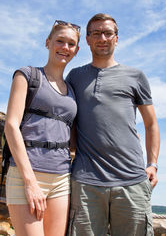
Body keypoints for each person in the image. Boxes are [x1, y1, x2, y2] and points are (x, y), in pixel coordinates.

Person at [66, 13, 160, 236]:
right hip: (86, 182)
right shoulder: (74, 77)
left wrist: (153, 164)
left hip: (132, 180)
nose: (102, 38)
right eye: (96, 33)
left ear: (116, 38)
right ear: (87, 39)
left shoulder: (135, 76)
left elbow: (151, 124)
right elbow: (67, 121)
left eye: (108, 33)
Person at [4, 20, 80, 236]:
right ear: (48, 43)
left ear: (76, 50)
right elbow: (11, 125)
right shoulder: (26, 75)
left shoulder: (72, 90)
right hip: (26, 174)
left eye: (71, 44)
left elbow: (72, 138)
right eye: (60, 41)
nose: (65, 47)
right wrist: (30, 182)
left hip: (61, 178)